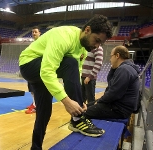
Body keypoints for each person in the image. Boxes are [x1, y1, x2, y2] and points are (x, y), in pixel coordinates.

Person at [19, 14, 112, 150]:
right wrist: (67, 102)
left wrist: (80, 101)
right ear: (87, 30)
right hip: (29, 64)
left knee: (44, 112)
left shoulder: (83, 49)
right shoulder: (64, 37)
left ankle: (35, 147)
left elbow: (76, 74)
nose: (97, 46)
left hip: (43, 71)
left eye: (100, 44)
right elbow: (47, 71)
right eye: (96, 40)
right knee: (70, 62)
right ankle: (77, 120)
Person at [83, 45, 140, 120]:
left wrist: (100, 101)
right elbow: (111, 85)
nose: (110, 59)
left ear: (117, 56)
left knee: (83, 112)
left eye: (111, 56)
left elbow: (114, 93)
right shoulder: (124, 68)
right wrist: (113, 68)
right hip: (118, 106)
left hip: (120, 109)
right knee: (87, 106)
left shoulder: (124, 70)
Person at [25, 27, 41, 114]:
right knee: (31, 89)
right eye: (32, 32)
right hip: (32, 68)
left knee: (36, 89)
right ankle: (34, 103)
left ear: (40, 33)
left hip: (37, 69)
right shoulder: (33, 44)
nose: (34, 33)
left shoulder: (41, 43)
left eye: (35, 32)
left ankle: (36, 106)